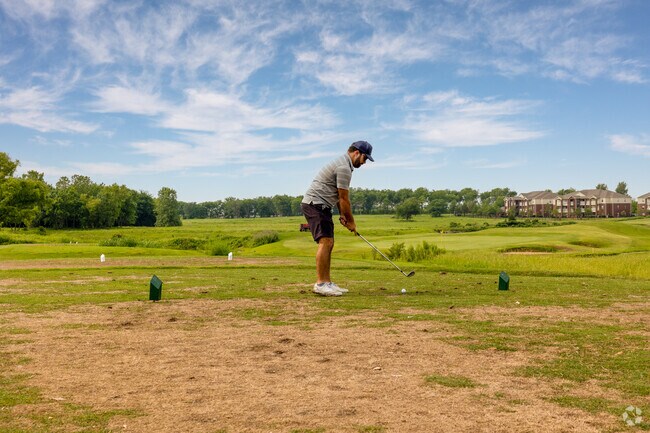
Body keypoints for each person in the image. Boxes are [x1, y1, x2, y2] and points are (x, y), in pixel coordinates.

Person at [301, 141, 374, 296]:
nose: (365, 162)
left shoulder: (344, 165)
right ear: (356, 153)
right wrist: (351, 221)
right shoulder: (344, 168)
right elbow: (343, 198)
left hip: (322, 205)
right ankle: (321, 284)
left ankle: (326, 282)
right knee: (325, 242)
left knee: (329, 242)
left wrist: (343, 215)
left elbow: (339, 197)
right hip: (315, 204)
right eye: (364, 158)